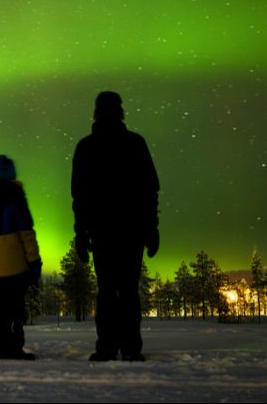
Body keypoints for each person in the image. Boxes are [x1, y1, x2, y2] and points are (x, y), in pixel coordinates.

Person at [72, 91, 160, 362]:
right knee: (128, 291)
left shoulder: (86, 147)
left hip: (103, 232)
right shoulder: (135, 143)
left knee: (108, 291)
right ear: (121, 112)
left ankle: (108, 347)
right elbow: (150, 190)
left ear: (95, 113)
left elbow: (80, 195)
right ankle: (130, 348)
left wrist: (81, 232)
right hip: (130, 231)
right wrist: (151, 228)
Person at [0, 155, 42, 360]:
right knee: (15, 308)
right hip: (17, 266)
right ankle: (14, 347)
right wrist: (34, 262)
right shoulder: (17, 200)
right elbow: (27, 235)